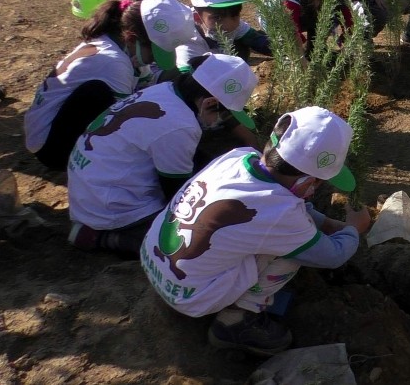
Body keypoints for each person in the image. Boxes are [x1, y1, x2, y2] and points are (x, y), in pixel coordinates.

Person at [140, 106, 371, 356]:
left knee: (286, 234)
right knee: (290, 253)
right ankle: (237, 320)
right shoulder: (281, 213)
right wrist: (353, 230)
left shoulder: (237, 157)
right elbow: (333, 256)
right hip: (191, 297)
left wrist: (327, 223)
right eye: (318, 183)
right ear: (307, 181)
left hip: (154, 261)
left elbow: (287, 210)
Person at [67, 53, 258, 257]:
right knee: (199, 241)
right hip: (111, 207)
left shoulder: (165, 92)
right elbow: (176, 196)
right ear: (209, 103)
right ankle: (103, 238)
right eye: (224, 113)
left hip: (92, 185)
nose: (219, 120)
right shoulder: (180, 126)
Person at [25, 0, 197, 171]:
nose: (153, 60)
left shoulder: (118, 43)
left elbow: (149, 82)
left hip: (50, 128)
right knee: (115, 108)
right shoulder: (113, 63)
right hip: (52, 147)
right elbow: (125, 121)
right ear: (132, 39)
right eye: (153, 54)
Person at [179, 0, 271, 66]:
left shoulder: (233, 23)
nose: (229, 25)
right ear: (197, 17)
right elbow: (188, 78)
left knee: (240, 48)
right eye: (217, 18)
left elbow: (259, 41)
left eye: (234, 15)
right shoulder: (187, 40)